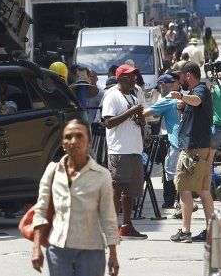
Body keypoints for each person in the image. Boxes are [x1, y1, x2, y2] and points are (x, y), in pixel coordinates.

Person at [30, 119, 119, 276]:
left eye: (79, 136)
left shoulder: (102, 175)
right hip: (58, 250)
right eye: (68, 137)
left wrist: (113, 253)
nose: (74, 141)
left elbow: (108, 216)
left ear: (89, 142)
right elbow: (41, 209)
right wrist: (36, 247)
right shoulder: (52, 171)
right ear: (62, 143)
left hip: (91, 251)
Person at [169, 61, 214, 243]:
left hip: (194, 149)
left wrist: (181, 96)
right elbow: (193, 108)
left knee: (184, 188)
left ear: (188, 75)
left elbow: (197, 101)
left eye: (181, 75)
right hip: (196, 147)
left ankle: (186, 231)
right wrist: (182, 103)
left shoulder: (200, 90)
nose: (180, 79)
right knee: (203, 190)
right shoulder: (194, 92)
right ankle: (211, 231)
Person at [101, 64, 147, 240]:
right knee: (116, 188)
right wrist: (131, 111)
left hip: (135, 147)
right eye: (129, 77)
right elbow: (108, 122)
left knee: (130, 191)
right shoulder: (112, 96)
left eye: (135, 76)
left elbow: (139, 120)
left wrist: (141, 119)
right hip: (119, 149)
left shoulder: (135, 95)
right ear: (120, 79)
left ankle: (127, 225)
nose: (134, 79)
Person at [143, 74, 182, 209]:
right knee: (177, 170)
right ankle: (178, 201)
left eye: (160, 86)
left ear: (163, 85)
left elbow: (148, 114)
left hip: (171, 139)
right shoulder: (178, 98)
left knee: (170, 172)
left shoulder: (166, 100)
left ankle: (175, 201)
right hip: (181, 139)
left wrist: (132, 113)